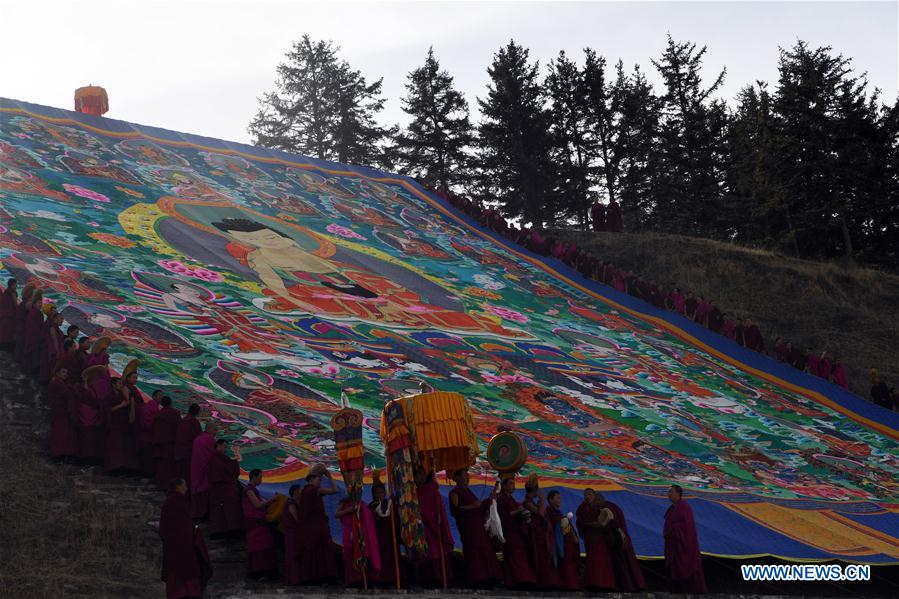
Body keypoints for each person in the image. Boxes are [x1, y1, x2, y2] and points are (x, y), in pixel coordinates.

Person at [159, 478, 213, 599]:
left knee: (185, 573)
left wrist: (192, 530)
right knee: (183, 573)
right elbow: (167, 528)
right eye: (184, 486)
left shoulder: (177, 502)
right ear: (178, 487)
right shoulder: (172, 502)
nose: (186, 488)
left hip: (183, 546)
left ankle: (187, 593)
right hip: (178, 547)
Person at [448, 468, 502, 587]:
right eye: (464, 475)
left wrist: (491, 497)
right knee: (474, 551)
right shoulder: (454, 492)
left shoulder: (469, 491)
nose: (467, 478)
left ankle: (490, 577)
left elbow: (480, 507)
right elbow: (455, 510)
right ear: (456, 478)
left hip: (478, 527)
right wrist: (472, 506)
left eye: (467, 476)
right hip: (468, 529)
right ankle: (478, 579)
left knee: (486, 549)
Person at [297, 467, 339, 584]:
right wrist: (329, 476)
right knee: (324, 550)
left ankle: (312, 577)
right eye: (319, 479)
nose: (320, 482)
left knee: (312, 551)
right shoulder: (315, 490)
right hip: (318, 527)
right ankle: (326, 576)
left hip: (310, 527)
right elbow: (335, 490)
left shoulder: (303, 491)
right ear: (312, 478)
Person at [597, 493, 645, 591]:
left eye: (596, 501)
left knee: (621, 563)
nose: (596, 504)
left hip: (617, 538)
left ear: (601, 499)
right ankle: (633, 585)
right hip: (621, 536)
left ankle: (626, 586)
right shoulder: (612, 506)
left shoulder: (607, 508)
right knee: (627, 562)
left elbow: (610, 522)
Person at [414, 467, 454, 586]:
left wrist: (430, 519)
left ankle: (439, 578)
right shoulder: (412, 492)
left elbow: (436, 508)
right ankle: (425, 580)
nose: (421, 477)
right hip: (419, 529)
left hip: (432, 527)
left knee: (435, 552)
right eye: (418, 475)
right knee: (423, 553)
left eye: (423, 474)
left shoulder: (431, 489)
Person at [663, 485, 707, 594]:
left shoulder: (684, 507)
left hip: (683, 545)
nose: (668, 494)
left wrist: (672, 529)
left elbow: (686, 527)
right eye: (668, 492)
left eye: (671, 492)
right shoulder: (673, 508)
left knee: (685, 569)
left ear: (678, 493)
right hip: (673, 546)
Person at [496, 473, 537, 589]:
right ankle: (517, 581)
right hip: (508, 533)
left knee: (521, 557)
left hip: (517, 532)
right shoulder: (501, 499)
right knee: (514, 557)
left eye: (514, 484)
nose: (513, 486)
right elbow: (502, 516)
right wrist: (518, 511)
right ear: (503, 486)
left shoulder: (513, 500)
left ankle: (524, 580)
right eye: (510, 484)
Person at [522, 476, 559, 589]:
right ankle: (544, 582)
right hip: (536, 534)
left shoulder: (532, 501)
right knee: (541, 557)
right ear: (535, 490)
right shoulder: (527, 502)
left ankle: (548, 581)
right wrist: (543, 499)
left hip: (542, 534)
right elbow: (541, 514)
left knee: (545, 556)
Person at [335, 497, 380, 588]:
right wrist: (348, 510)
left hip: (359, 534)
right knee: (349, 557)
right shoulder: (344, 503)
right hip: (348, 533)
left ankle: (361, 580)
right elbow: (336, 514)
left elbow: (367, 519)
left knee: (359, 555)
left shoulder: (361, 504)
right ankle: (351, 580)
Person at [576, 488, 616, 590]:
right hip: (590, 539)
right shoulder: (581, 508)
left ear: (594, 496)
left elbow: (607, 521)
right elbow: (579, 523)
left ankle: (605, 584)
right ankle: (593, 583)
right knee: (592, 562)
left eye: (589, 494)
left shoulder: (600, 507)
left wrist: (601, 525)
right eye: (585, 495)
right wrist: (590, 525)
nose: (587, 497)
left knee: (603, 561)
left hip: (601, 539)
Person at [243, 468, 278, 577]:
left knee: (265, 544)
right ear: (254, 477)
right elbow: (257, 505)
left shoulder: (254, 490)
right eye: (260, 477)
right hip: (254, 523)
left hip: (259, 522)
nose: (261, 480)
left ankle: (264, 570)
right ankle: (260, 571)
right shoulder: (249, 490)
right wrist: (272, 499)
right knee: (260, 545)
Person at [545, 490, 581, 590]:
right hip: (557, 544)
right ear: (551, 500)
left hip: (566, 543)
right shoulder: (549, 511)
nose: (560, 500)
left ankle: (570, 584)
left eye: (560, 498)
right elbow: (553, 526)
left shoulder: (559, 513)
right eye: (558, 498)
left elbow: (565, 529)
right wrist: (564, 521)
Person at [367, 471, 397, 586]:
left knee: (391, 558)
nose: (380, 494)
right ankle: (381, 580)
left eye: (381, 492)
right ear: (373, 494)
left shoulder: (390, 503)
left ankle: (394, 579)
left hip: (390, 536)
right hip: (378, 537)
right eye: (377, 492)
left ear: (385, 492)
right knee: (380, 558)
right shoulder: (371, 506)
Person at [209, 438, 243, 536]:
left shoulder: (219, 457)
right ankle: (229, 530)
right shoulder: (215, 457)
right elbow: (227, 467)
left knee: (225, 510)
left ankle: (226, 529)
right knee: (227, 510)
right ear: (218, 445)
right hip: (222, 487)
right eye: (224, 447)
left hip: (223, 487)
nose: (225, 449)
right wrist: (235, 462)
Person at [104, 377, 138, 473]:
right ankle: (114, 468)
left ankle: (123, 467)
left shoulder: (123, 396)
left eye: (121, 384)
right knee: (115, 447)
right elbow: (108, 410)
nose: (121, 385)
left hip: (123, 424)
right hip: (114, 425)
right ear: (113, 385)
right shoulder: (109, 396)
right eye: (119, 383)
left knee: (124, 448)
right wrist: (121, 405)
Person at [47, 364, 78, 460]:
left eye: (67, 373)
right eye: (63, 372)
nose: (66, 375)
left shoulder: (61, 382)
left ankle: (62, 454)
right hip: (59, 411)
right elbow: (67, 394)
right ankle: (58, 454)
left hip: (62, 411)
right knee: (60, 434)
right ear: (57, 373)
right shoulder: (56, 382)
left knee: (64, 434)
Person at [190, 421, 219, 519]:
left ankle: (196, 512)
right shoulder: (209, 439)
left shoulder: (198, 438)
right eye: (215, 430)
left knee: (196, 487)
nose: (216, 432)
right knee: (204, 490)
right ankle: (202, 513)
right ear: (209, 429)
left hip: (196, 467)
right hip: (205, 468)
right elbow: (215, 453)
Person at [153, 396, 182, 490]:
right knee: (169, 466)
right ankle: (169, 485)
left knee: (161, 465)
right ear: (170, 403)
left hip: (159, 443)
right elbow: (178, 427)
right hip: (170, 443)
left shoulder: (158, 415)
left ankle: (160, 484)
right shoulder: (175, 413)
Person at [174, 403, 202, 485]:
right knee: (186, 474)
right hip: (187, 452)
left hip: (179, 449)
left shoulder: (184, 420)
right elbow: (198, 437)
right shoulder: (194, 422)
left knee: (180, 472)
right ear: (197, 412)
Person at [282, 484, 303, 585]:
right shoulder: (291, 503)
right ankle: (294, 579)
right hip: (292, 533)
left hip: (295, 533)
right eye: (300, 490)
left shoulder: (295, 502)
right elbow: (296, 518)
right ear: (295, 492)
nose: (301, 492)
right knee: (293, 554)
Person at [0, 278, 17, 351]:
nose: (16, 286)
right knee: (6, 336)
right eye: (15, 285)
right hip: (7, 319)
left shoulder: (8, 294)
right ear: (12, 285)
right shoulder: (7, 295)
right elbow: (12, 307)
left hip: (7, 318)